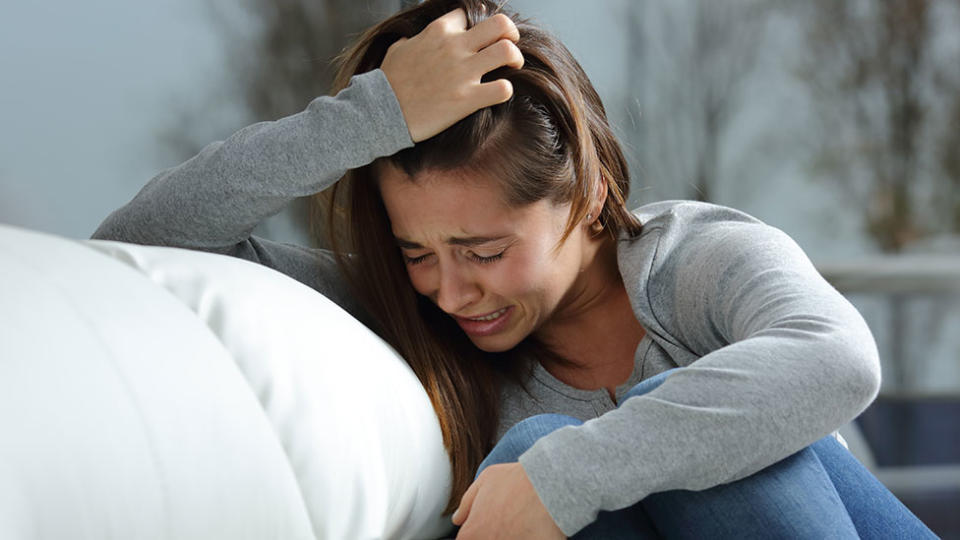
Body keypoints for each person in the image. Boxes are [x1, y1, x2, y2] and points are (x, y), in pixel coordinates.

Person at [93, 0, 935, 538]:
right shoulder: (398, 311)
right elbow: (140, 240)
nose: (452, 291)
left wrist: (566, 474)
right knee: (537, 445)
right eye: (417, 252)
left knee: (585, 440)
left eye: (486, 250)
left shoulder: (690, 260)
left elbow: (838, 358)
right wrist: (372, 118)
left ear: (589, 192)